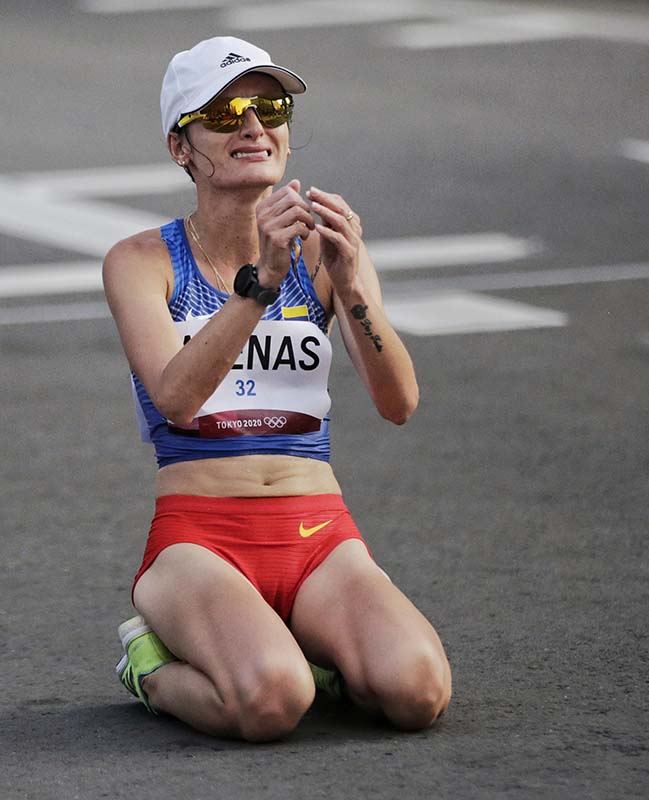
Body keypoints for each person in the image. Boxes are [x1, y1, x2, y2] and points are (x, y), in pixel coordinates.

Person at [103, 35, 451, 742]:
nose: (254, 126)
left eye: (270, 106)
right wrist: (260, 283)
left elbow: (399, 404)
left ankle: (301, 646)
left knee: (418, 692)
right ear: (182, 148)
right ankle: (151, 667)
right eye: (227, 113)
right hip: (199, 542)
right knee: (270, 702)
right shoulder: (142, 262)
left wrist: (351, 287)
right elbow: (176, 399)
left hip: (320, 535)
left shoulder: (325, 253)